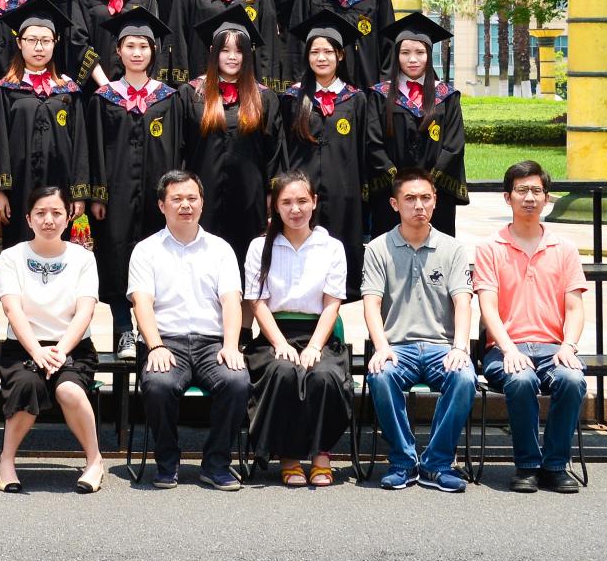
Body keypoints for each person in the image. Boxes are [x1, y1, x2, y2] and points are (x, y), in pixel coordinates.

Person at [127, 170, 250, 490]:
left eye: (192, 198)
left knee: (237, 381)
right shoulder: (146, 250)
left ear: (202, 203)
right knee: (158, 383)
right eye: (177, 199)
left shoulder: (220, 249)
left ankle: (216, 463)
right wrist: (155, 346)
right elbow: (141, 303)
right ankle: (167, 461)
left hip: (212, 343)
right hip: (167, 342)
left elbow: (231, 301)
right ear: (161, 205)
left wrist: (231, 345)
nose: (186, 205)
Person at [474, 160, 589, 495]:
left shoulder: (564, 249)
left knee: (572, 379)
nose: (529, 198)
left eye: (536, 191)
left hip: (553, 347)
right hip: (504, 349)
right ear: (507, 197)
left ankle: (555, 465)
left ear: (547, 198)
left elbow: (575, 308)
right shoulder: (490, 248)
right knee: (521, 379)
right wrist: (509, 349)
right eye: (521, 190)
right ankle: (526, 465)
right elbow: (488, 308)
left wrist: (569, 346)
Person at [361, 169, 474, 493]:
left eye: (426, 198)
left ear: (436, 201)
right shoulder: (378, 248)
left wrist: (460, 347)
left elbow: (463, 302)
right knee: (381, 376)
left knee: (464, 378)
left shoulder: (453, 249)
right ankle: (403, 461)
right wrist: (381, 347)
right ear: (394, 204)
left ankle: (437, 463)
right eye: (410, 199)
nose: (419, 205)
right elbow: (371, 304)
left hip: (442, 347)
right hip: (397, 347)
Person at [242, 170, 350, 488]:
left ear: (314, 202)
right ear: (275, 206)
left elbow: (332, 304)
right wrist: (280, 343)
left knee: (324, 375)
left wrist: (315, 346)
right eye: (287, 202)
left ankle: (321, 454)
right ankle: (288, 456)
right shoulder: (259, 246)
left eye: (302, 201)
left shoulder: (331, 247)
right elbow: (257, 303)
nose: (295, 209)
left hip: (319, 333)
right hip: (274, 334)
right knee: (284, 372)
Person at [0, 187, 105, 493]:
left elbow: (85, 310)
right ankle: (6, 460)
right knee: (26, 385)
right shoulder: (12, 257)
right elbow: (11, 308)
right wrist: (36, 351)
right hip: (23, 347)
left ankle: (95, 460)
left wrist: (60, 351)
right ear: (28, 219)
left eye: (57, 213)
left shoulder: (83, 258)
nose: (48, 220)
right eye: (40, 213)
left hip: (72, 347)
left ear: (68, 218)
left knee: (69, 390)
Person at [84, 8, 181, 360]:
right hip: (116, 194)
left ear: (153, 51)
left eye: (143, 46)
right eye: (130, 46)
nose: (137, 53)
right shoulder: (104, 97)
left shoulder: (169, 98)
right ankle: (124, 329)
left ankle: (151, 331)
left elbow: (178, 148)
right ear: (118, 51)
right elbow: (93, 148)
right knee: (116, 256)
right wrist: (97, 194)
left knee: (158, 260)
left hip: (157, 196)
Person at [279, 11, 393, 301]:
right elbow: (283, 148)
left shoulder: (356, 99)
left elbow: (366, 149)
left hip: (345, 193)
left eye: (328, 52)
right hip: (303, 193)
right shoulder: (292, 99)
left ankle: (336, 306)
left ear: (340, 55)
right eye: (314, 52)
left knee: (341, 255)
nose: (321, 58)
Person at [175, 2, 283, 259]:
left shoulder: (263, 98)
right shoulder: (190, 94)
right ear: (213, 52)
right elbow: (179, 148)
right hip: (202, 196)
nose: (232, 57)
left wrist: (273, 194)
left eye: (239, 51)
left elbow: (275, 153)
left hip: (249, 198)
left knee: (247, 259)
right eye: (225, 50)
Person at [0, 0, 86, 250]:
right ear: (19, 43)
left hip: (60, 182)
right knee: (19, 247)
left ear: (55, 42)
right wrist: (0, 191)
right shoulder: (6, 89)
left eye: (45, 40)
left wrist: (78, 194)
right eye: (31, 40)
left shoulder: (68, 91)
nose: (39, 47)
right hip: (19, 187)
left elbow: (80, 145)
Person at [368, 13, 467, 237]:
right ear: (396, 56)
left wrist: (428, 184)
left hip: (434, 192)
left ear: (429, 55)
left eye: (420, 52)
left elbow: (454, 145)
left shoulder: (447, 96)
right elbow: (372, 142)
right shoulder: (379, 95)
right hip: (391, 192)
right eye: (405, 53)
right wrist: (398, 183)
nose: (412, 59)